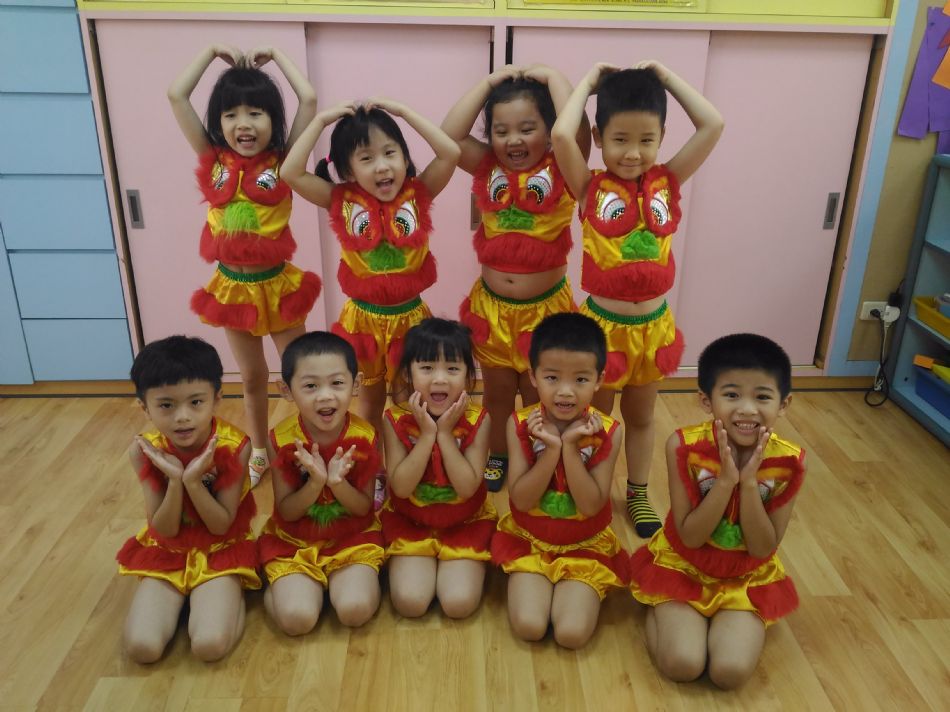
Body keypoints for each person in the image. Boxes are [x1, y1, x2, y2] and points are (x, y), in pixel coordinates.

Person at [551, 61, 724, 537]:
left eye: (647, 140)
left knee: (642, 417)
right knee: (596, 417)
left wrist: (666, 79)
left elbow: (713, 124)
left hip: (653, 328)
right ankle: (590, 487)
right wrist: (589, 82)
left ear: (662, 136)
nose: (633, 152)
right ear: (599, 136)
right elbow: (562, 136)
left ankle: (638, 492)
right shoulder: (588, 187)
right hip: (602, 330)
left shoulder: (668, 180)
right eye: (620, 139)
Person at [168, 45, 321, 487]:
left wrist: (279, 57)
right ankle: (259, 450)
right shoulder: (213, 159)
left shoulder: (285, 161)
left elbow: (309, 99)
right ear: (219, 123)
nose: (244, 124)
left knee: (304, 374)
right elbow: (177, 95)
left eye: (256, 113)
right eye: (231, 114)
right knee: (252, 377)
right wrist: (210, 53)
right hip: (232, 289)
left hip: (278, 285)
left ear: (273, 120)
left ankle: (315, 444)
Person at [442, 64, 590, 492]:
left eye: (527, 129)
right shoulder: (486, 166)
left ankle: (539, 455)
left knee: (539, 393)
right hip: (492, 308)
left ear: (549, 131)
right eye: (501, 131)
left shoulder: (564, 166)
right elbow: (449, 135)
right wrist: (488, 82)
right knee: (497, 393)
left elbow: (576, 130)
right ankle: (499, 454)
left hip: (546, 311)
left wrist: (553, 78)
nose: (514, 140)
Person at [629, 333, 805, 689]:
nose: (747, 409)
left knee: (729, 673)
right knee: (683, 664)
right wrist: (725, 482)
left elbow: (762, 547)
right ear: (706, 401)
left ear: (784, 404)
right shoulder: (683, 446)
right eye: (731, 395)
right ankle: (657, 605)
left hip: (746, 577)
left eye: (762, 397)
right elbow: (691, 537)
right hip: (684, 566)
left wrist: (749, 483)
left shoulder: (790, 462)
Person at [281, 99, 460, 433]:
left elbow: (450, 153)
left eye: (390, 153)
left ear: (404, 158)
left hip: (410, 319)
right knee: (370, 402)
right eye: (367, 158)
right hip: (362, 321)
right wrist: (319, 122)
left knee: (410, 401)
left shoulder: (419, 193)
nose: (382, 167)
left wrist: (406, 112)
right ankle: (373, 459)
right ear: (349, 171)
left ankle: (411, 457)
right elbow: (290, 172)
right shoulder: (340, 200)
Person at [117, 336, 259, 663]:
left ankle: (231, 595)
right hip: (167, 549)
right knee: (142, 648)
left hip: (221, 547)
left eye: (196, 402)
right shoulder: (143, 451)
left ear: (216, 398)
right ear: (144, 407)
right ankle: (193, 602)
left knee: (210, 645)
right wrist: (175, 480)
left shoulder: (235, 446)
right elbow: (164, 529)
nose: (182, 417)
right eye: (166, 405)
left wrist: (194, 482)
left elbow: (221, 525)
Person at [491, 313, 628, 649]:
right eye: (552, 377)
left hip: (586, 544)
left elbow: (591, 505)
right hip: (530, 539)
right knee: (529, 625)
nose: (565, 392)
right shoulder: (519, 423)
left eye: (581, 379)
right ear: (533, 376)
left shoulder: (610, 431)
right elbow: (521, 500)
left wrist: (569, 447)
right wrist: (551, 450)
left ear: (599, 380)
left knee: (571, 634)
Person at [257, 331, 383, 634]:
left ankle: (341, 585)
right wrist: (315, 484)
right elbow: (287, 512)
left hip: (352, 536)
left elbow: (363, 509)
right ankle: (285, 588)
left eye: (337, 383)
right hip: (294, 540)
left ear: (356, 384)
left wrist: (338, 484)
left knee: (355, 610)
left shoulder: (365, 436)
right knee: (297, 620)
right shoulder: (281, 439)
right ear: (286, 390)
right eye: (311, 386)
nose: (325, 396)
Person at [380, 318, 495, 619]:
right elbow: (401, 488)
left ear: (469, 375)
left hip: (465, 521)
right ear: (408, 373)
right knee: (410, 603)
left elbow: (467, 487)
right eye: (427, 367)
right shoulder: (394, 419)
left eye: (453, 369)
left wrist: (444, 435)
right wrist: (427, 435)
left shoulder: (479, 419)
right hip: (410, 520)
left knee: (459, 604)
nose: (440, 379)